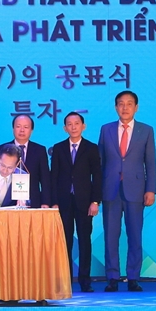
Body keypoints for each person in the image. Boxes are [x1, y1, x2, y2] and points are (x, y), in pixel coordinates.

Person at [99, 90, 156, 292]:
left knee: (135, 236)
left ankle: (133, 277)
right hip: (110, 190)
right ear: (116, 107)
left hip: (136, 190)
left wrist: (151, 189)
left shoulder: (146, 130)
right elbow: (100, 162)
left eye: (129, 104)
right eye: (121, 104)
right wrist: (97, 192)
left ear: (136, 107)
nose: (125, 108)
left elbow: (150, 162)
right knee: (110, 236)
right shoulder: (106, 129)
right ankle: (112, 277)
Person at [50, 112, 102, 293]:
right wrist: (54, 202)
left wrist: (95, 201)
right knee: (64, 242)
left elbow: (97, 177)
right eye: (69, 124)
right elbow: (53, 176)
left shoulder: (91, 148)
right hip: (63, 202)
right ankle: (65, 280)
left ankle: (85, 281)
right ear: (65, 128)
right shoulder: (58, 148)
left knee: (84, 241)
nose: (73, 127)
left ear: (83, 126)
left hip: (85, 202)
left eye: (77, 123)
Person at [0, 115, 51, 207]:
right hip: (7, 202)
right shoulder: (2, 149)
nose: (22, 130)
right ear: (13, 128)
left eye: (26, 127)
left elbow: (45, 179)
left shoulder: (40, 150)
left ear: (31, 130)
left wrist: (46, 202)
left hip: (33, 201)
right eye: (18, 126)